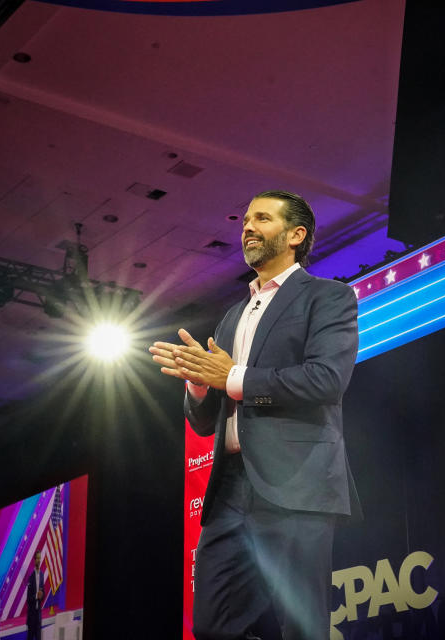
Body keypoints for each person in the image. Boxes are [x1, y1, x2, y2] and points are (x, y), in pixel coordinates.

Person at [150, 190, 360, 640]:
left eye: (262, 219)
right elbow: (207, 422)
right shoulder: (233, 315)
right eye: (245, 219)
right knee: (212, 626)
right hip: (229, 490)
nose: (247, 227)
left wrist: (233, 376)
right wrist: (199, 383)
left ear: (295, 235)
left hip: (297, 484)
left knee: (302, 627)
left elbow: (326, 380)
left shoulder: (328, 297)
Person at [26, 551, 44, 640]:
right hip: (31, 616)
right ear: (34, 560)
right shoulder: (30, 577)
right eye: (37, 558)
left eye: (40, 558)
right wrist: (36, 596)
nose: (39, 560)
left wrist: (41, 595)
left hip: (38, 616)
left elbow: (42, 593)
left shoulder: (42, 575)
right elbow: (28, 599)